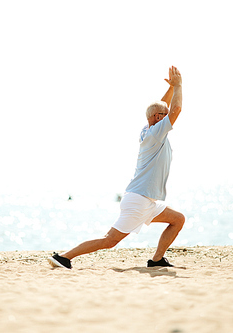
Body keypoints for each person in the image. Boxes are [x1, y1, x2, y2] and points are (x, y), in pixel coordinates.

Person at [49, 66, 185, 269]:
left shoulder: (150, 129)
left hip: (146, 200)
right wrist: (179, 86)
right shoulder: (156, 133)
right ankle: (64, 257)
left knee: (177, 219)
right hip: (138, 200)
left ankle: (157, 260)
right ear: (157, 118)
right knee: (109, 241)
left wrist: (172, 89)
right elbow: (175, 109)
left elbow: (163, 106)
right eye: (163, 116)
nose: (168, 118)